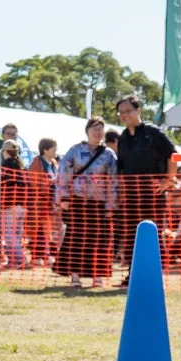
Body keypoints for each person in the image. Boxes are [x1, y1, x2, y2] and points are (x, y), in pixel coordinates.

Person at [113, 95, 176, 285]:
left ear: (138, 111)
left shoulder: (152, 132)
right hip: (131, 195)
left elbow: (173, 154)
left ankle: (152, 276)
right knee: (132, 234)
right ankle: (133, 276)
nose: (125, 115)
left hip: (153, 194)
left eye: (128, 111)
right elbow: (121, 167)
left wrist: (168, 180)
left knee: (152, 233)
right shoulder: (122, 138)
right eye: (121, 112)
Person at [54, 118, 118, 288]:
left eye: (100, 129)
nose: (97, 133)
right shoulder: (75, 151)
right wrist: (64, 198)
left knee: (99, 240)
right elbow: (63, 173)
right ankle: (75, 276)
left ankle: (98, 276)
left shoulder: (109, 155)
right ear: (87, 131)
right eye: (94, 129)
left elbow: (113, 181)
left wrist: (111, 206)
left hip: (99, 204)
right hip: (77, 202)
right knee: (76, 239)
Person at [0, 139, 31, 268]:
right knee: (16, 235)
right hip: (22, 205)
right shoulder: (21, 166)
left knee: (9, 235)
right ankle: (14, 260)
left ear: (5, 151)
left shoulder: (7, 164)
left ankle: (20, 259)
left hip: (10, 205)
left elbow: (3, 182)